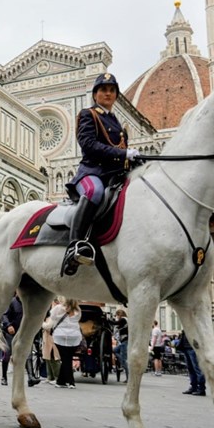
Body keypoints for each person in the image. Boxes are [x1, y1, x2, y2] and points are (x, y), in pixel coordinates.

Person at [61, 73, 140, 276]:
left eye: (112, 90)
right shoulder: (89, 114)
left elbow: (121, 156)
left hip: (115, 177)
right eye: (103, 89)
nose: (108, 93)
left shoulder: (116, 122)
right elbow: (88, 145)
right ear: (95, 94)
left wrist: (134, 160)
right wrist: (123, 153)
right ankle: (75, 245)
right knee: (95, 192)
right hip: (92, 173)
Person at [0, 293, 40, 387]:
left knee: (28, 354)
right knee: (7, 354)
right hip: (11, 333)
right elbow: (4, 315)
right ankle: (4, 377)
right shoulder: (12, 302)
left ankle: (31, 377)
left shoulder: (28, 303)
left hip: (24, 332)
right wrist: (8, 325)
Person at [43, 297, 82, 388]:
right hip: (74, 336)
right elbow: (78, 319)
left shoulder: (58, 308)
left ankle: (71, 381)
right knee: (67, 358)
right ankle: (60, 381)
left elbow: (51, 319)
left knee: (65, 359)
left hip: (60, 335)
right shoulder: (78, 309)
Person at [177, 330, 206, 396]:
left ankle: (201, 388)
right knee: (191, 368)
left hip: (193, 347)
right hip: (186, 346)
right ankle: (194, 386)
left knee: (197, 368)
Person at [41, 303, 61, 383]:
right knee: (47, 357)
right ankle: (50, 376)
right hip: (47, 338)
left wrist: (41, 323)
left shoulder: (53, 316)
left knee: (53, 357)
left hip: (52, 338)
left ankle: (57, 377)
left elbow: (48, 326)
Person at [112, 309, 129, 383]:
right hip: (124, 341)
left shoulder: (123, 319)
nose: (117, 317)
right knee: (115, 350)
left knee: (124, 360)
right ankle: (122, 360)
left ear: (120, 314)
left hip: (125, 341)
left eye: (117, 315)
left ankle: (129, 378)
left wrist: (109, 321)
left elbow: (116, 323)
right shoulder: (125, 320)